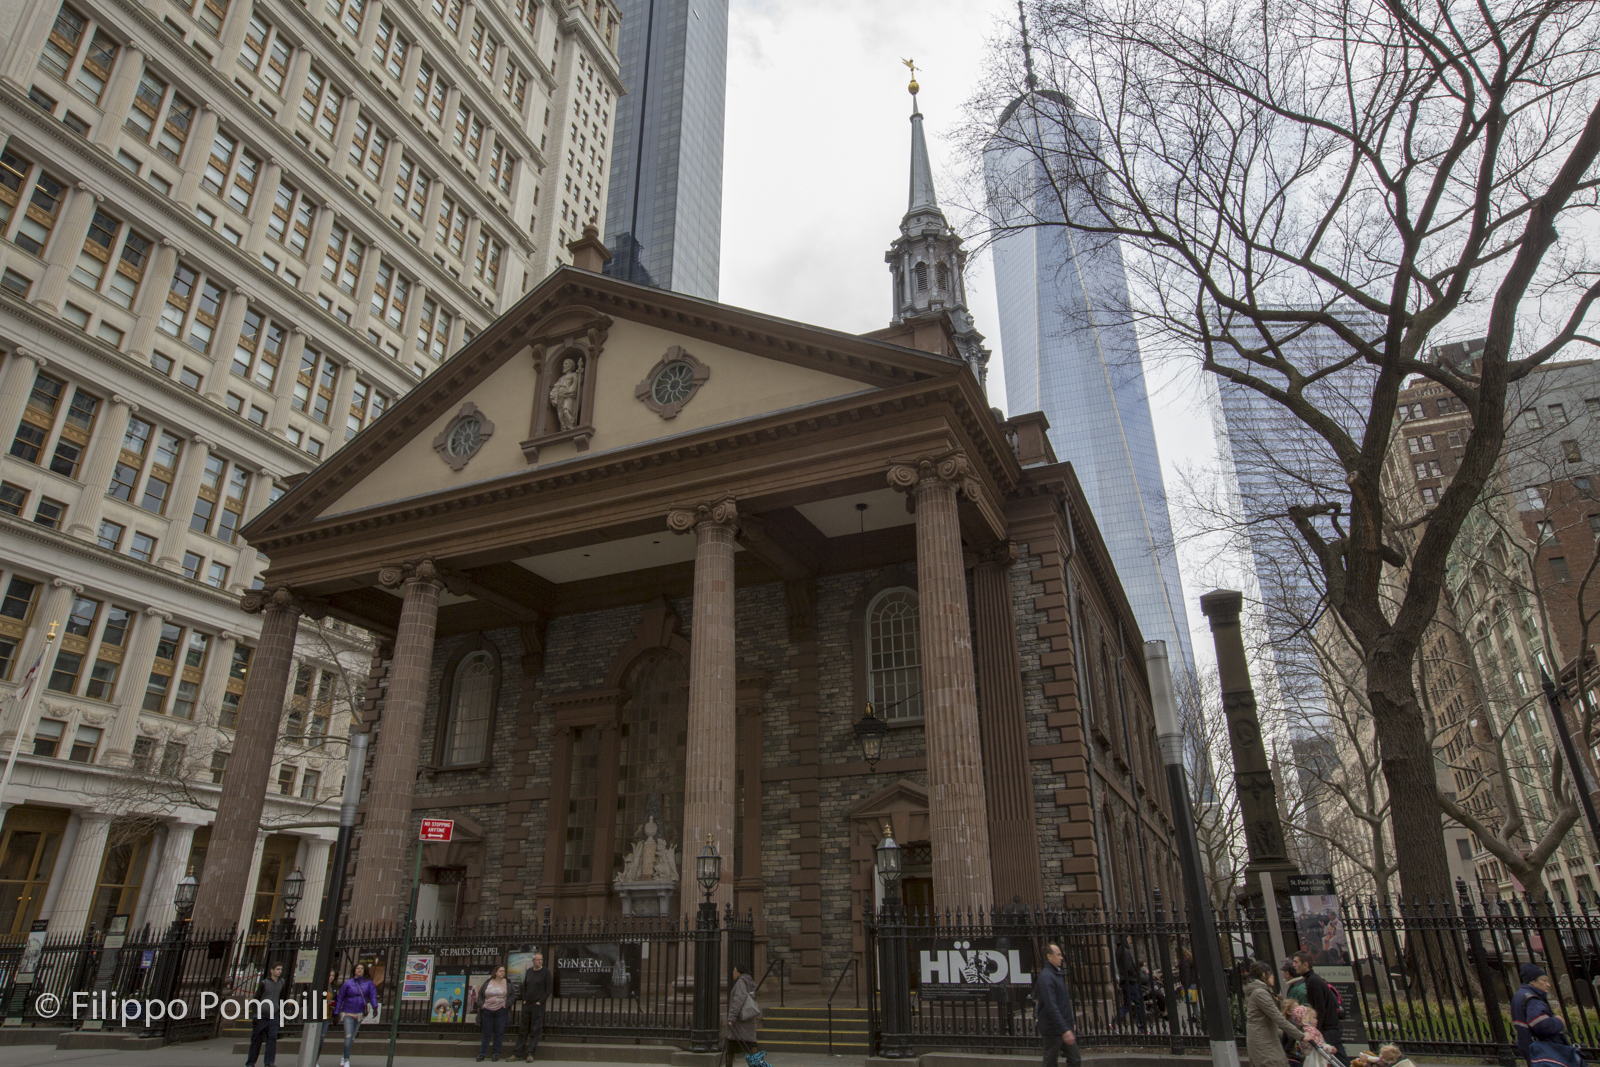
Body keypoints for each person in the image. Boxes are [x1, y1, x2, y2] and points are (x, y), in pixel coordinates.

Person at [1244, 961, 1304, 1067]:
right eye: (1271, 974)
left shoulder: (1261, 991)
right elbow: (1278, 1018)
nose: (1273, 977)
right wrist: (1301, 1036)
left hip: (1265, 1039)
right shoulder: (1260, 993)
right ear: (1264, 975)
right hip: (1263, 1042)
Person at [1512, 963, 1571, 1067]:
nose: (1548, 984)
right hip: (1544, 1049)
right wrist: (1558, 1021)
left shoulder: (1519, 996)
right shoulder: (1533, 1000)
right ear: (1532, 981)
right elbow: (1540, 1024)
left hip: (1529, 1047)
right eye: (1544, 980)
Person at [1033, 942, 1078, 1067]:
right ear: (1049, 957)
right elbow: (1051, 1006)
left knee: (1075, 1059)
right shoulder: (1046, 978)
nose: (1061, 957)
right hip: (1052, 1029)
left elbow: (1063, 1003)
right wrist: (1065, 1029)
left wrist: (1071, 1022)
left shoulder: (1056, 974)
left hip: (1063, 1027)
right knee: (1051, 1062)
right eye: (1058, 954)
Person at [1293, 949, 1344, 1059]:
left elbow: (1319, 1008)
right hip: (1328, 1027)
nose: (1294, 965)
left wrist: (1316, 1030)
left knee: (1339, 1059)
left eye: (1296, 962)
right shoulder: (1311, 980)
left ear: (1305, 964)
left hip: (1327, 1029)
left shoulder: (1313, 981)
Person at [333, 963, 380, 1067]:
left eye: (361, 968)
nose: (359, 970)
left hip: (360, 1012)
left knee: (352, 1037)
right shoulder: (348, 983)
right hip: (348, 1011)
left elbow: (372, 995)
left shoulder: (368, 983)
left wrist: (375, 1006)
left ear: (364, 971)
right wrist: (336, 1012)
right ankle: (346, 1060)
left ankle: (344, 1054)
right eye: (358, 968)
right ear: (354, 971)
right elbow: (340, 997)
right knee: (348, 1035)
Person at [245, 962, 288, 1067]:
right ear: (272, 970)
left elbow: (282, 998)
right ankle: (250, 1062)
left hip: (274, 1014)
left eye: (281, 969)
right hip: (262, 1015)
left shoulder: (282, 982)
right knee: (257, 1040)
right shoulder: (264, 983)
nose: (280, 971)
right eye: (277, 969)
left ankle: (269, 1062)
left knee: (272, 1038)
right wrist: (255, 1015)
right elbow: (256, 999)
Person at [515, 952, 552, 1062]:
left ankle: (530, 1053)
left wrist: (540, 1001)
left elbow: (549, 988)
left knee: (535, 1029)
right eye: (537, 959)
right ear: (533, 961)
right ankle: (517, 1053)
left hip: (537, 1005)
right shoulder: (529, 971)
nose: (540, 961)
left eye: (541, 959)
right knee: (523, 1029)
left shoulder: (546, 972)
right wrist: (524, 999)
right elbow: (524, 986)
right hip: (528, 1004)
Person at [725, 963, 762, 1067]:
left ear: (739, 972)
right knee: (749, 1044)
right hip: (747, 1020)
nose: (733, 972)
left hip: (740, 1021)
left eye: (734, 970)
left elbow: (738, 1000)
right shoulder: (749, 981)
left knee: (731, 1046)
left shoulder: (741, 982)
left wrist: (731, 1017)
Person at [478, 964, 511, 1062]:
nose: (502, 973)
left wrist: (507, 1004)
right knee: (486, 1033)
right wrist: (481, 1005)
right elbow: (480, 995)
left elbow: (513, 995)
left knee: (498, 1032)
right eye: (500, 971)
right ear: (495, 972)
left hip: (501, 1009)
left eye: (504, 971)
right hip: (487, 1010)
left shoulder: (508, 983)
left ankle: (496, 1054)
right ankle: (482, 1054)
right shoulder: (488, 982)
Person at [1115, 934, 1147, 1028]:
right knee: (1139, 1002)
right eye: (1129, 938)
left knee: (1127, 1004)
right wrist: (1135, 975)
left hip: (1125, 980)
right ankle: (1142, 1026)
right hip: (1130, 981)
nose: (1130, 941)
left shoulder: (1119, 950)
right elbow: (1129, 967)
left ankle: (1115, 1021)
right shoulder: (1124, 951)